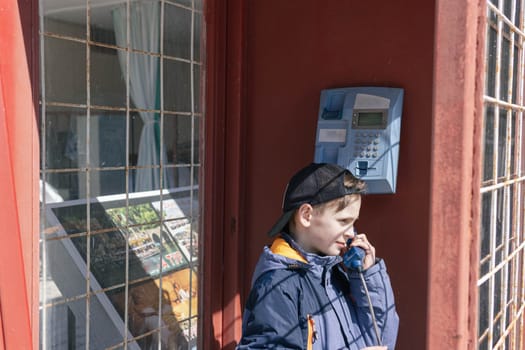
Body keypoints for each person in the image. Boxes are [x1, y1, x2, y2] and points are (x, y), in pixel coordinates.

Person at [237, 163, 399, 349]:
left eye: (353, 222)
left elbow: (381, 340)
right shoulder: (278, 285)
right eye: (343, 221)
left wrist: (367, 277)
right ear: (306, 215)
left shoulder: (332, 272)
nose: (351, 234)